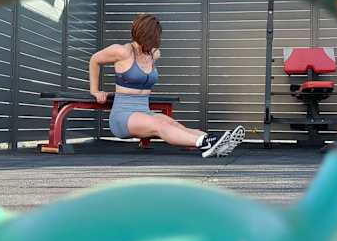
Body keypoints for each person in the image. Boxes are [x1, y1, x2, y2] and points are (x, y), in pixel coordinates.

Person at [89, 13, 244, 157]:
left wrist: (152, 55)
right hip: (123, 117)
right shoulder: (122, 51)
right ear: (142, 35)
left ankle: (216, 141)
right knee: (160, 125)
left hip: (144, 112)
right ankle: (205, 143)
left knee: (174, 124)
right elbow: (94, 60)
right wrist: (95, 91)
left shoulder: (152, 54)